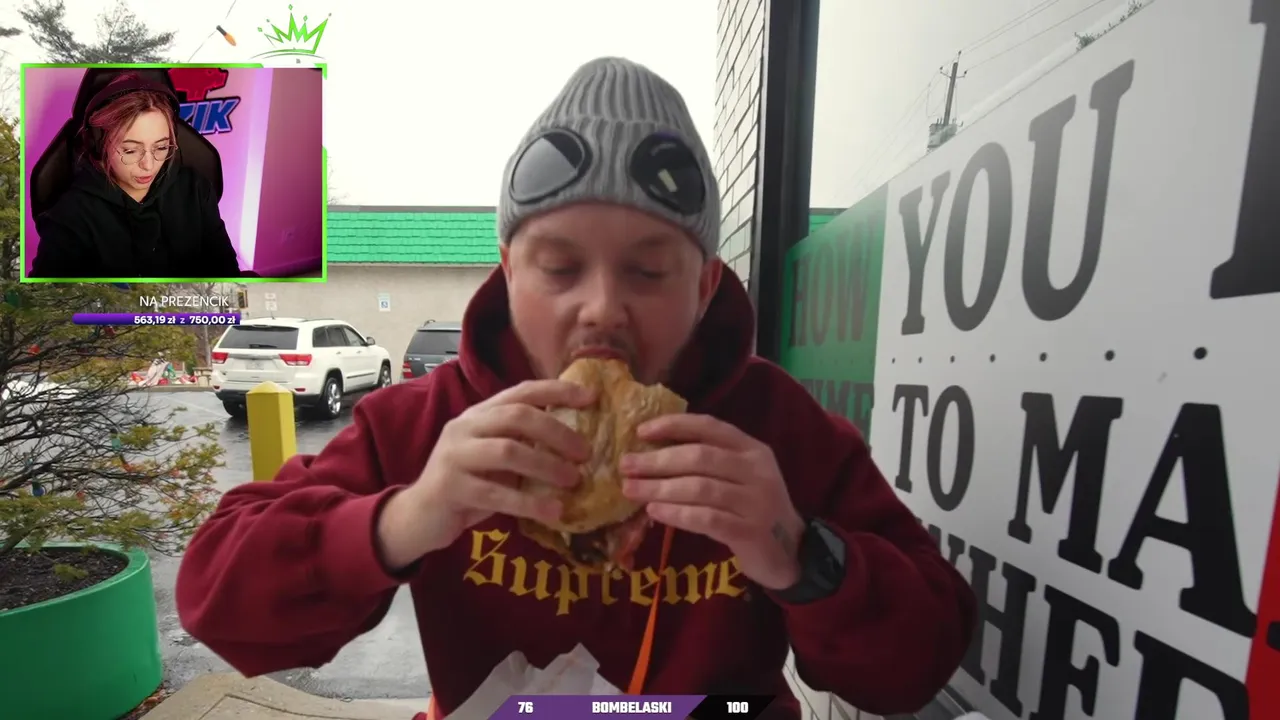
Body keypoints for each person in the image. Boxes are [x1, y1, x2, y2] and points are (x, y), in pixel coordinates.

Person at [175, 57, 976, 719]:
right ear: (508, 273)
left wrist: (802, 554)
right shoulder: (424, 426)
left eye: (648, 271)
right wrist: (407, 518)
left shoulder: (775, 426)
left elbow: (920, 662)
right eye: (559, 267)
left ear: (704, 289)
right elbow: (217, 599)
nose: (601, 307)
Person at [28, 72, 243, 279]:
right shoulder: (70, 216)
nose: (148, 165)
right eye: (131, 151)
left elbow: (226, 272)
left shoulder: (195, 190)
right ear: (99, 144)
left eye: (161, 147)